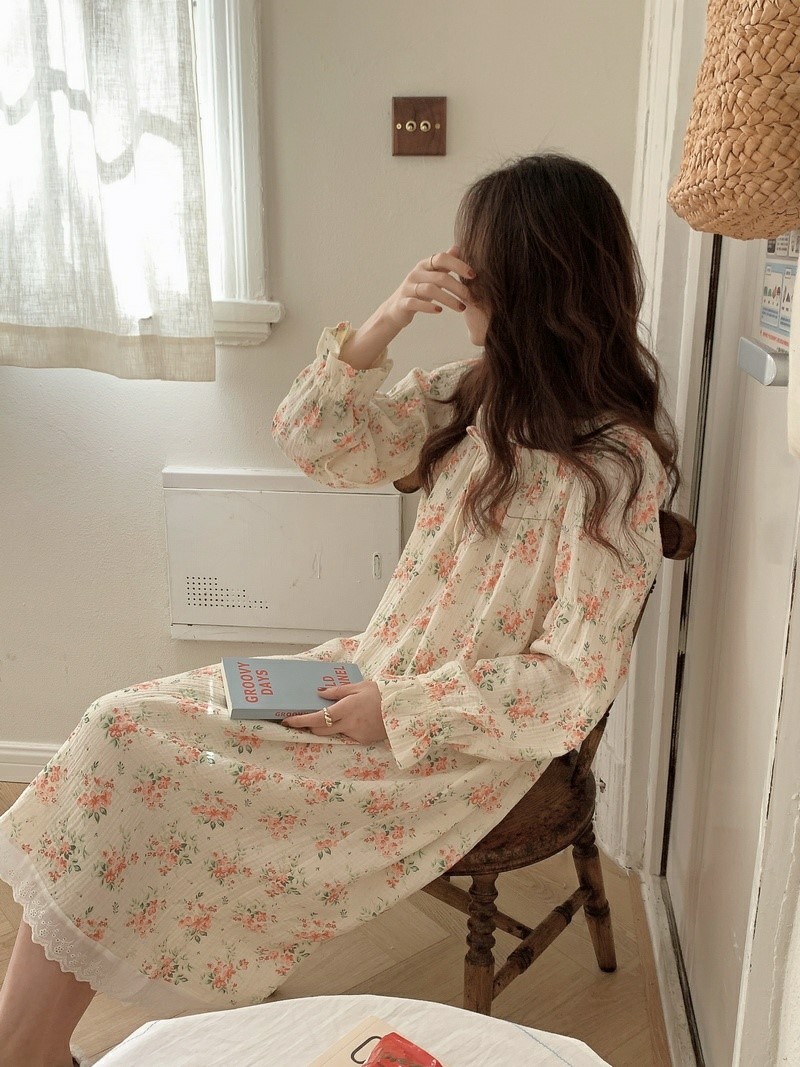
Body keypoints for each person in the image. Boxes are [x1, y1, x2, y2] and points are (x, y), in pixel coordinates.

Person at [0, 153, 678, 1067]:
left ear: (530, 282)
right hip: (366, 676)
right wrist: (388, 317)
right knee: (115, 729)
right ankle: (28, 1047)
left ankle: (24, 1048)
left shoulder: (614, 466)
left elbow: (571, 679)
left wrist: (397, 709)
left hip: (447, 746)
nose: (458, 276)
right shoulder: (478, 394)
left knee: (132, 756)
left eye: (475, 261)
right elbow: (316, 440)